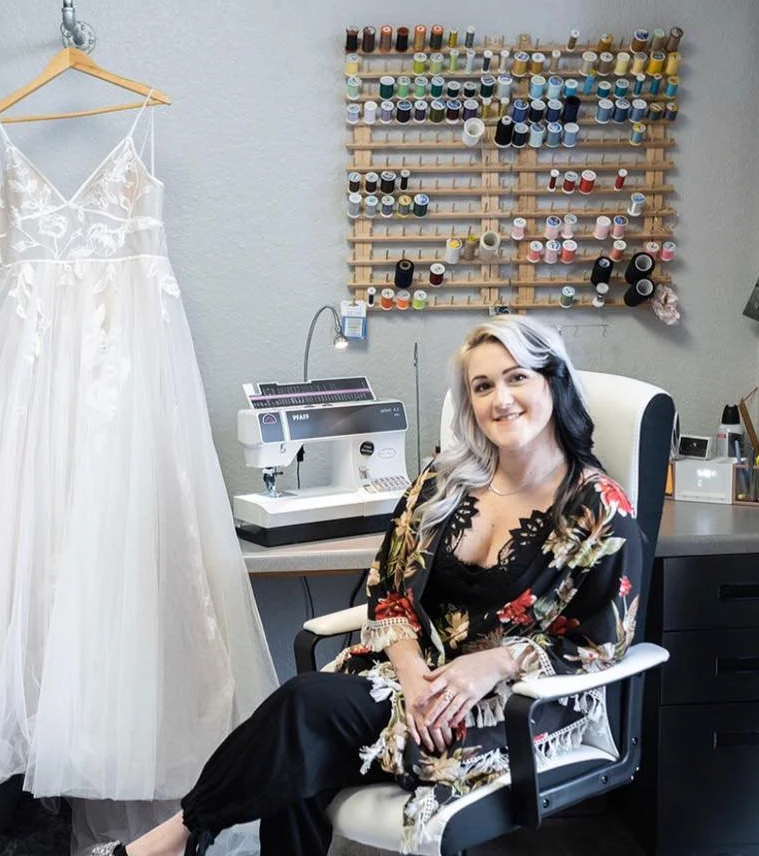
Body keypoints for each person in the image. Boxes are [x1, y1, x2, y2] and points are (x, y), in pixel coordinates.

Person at [107, 316, 644, 856]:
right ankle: (177, 840)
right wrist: (412, 675)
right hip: (409, 683)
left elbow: (602, 643)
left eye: (517, 377)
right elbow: (388, 588)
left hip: (508, 706)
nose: (500, 400)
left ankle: (168, 842)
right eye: (482, 387)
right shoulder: (445, 481)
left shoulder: (599, 509)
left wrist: (494, 664)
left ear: (553, 381)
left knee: (302, 717)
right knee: (296, 756)